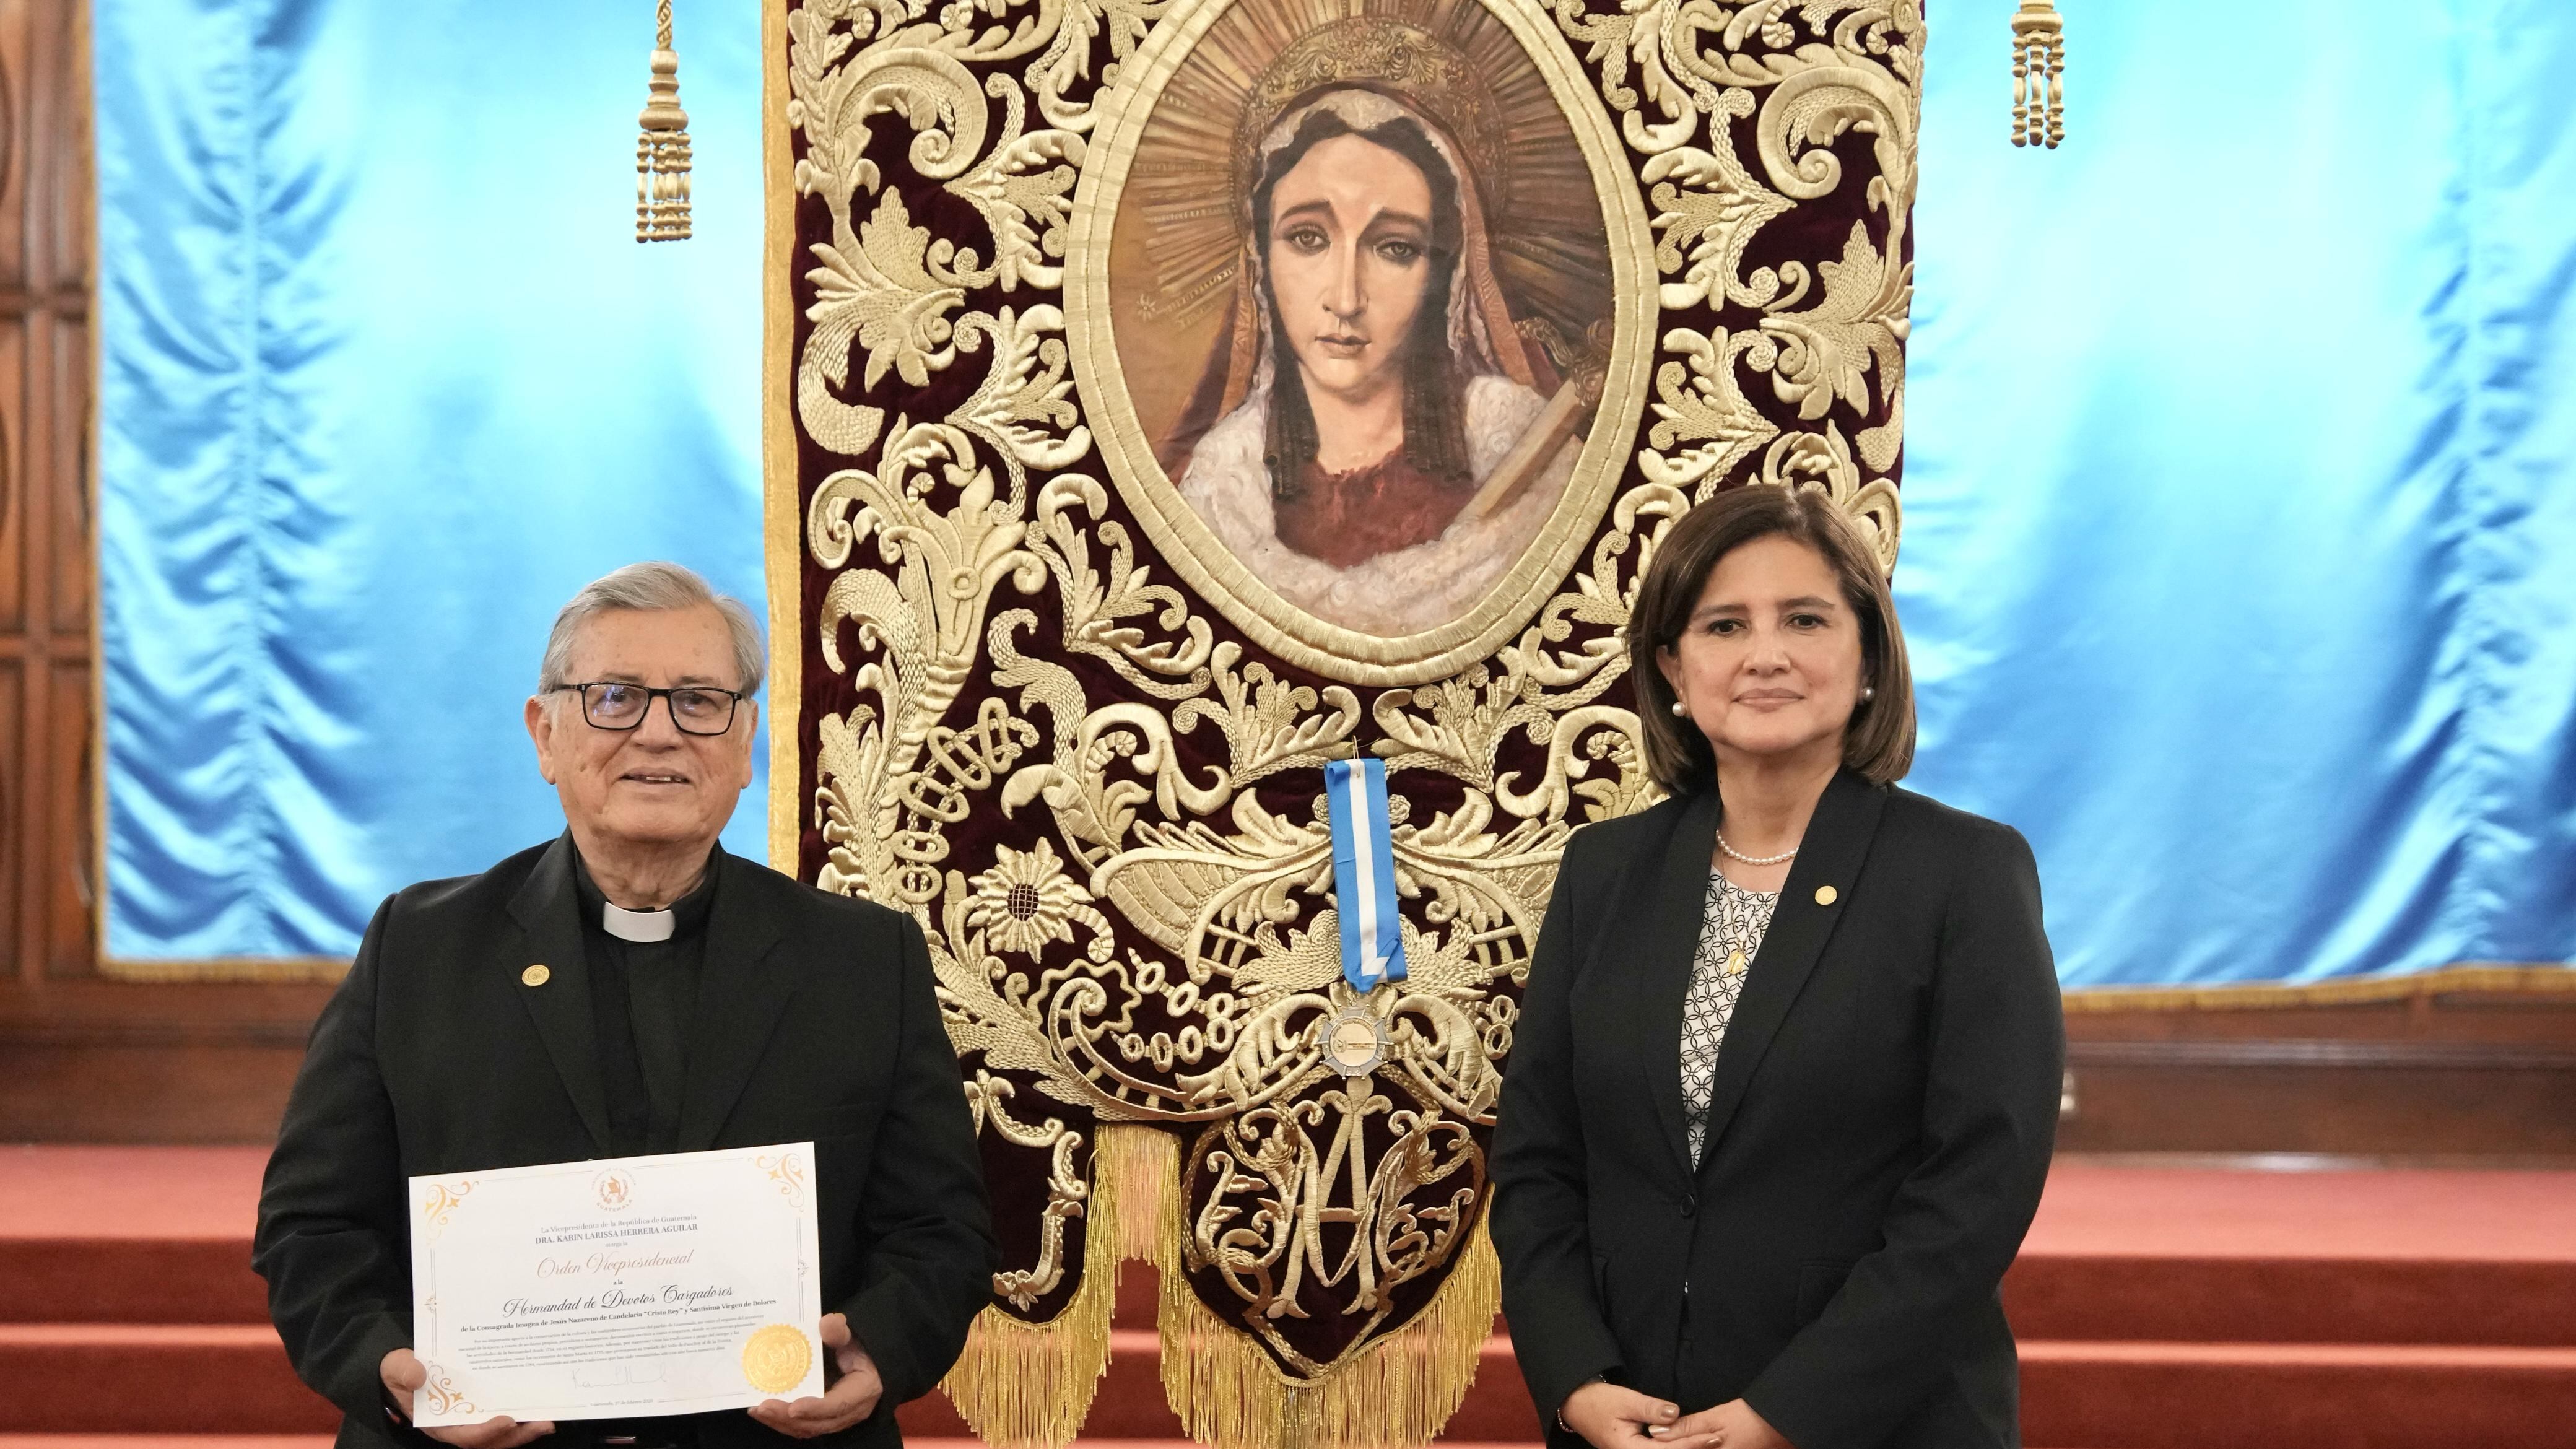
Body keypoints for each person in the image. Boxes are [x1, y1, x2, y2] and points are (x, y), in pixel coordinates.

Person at [253, 562, 996, 1448]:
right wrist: (388, 1369)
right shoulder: (419, 952)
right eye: (614, 698)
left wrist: (881, 1347)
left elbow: (940, 1229)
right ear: (545, 734)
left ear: (746, 736)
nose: (658, 734)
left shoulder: (865, 962)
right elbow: (313, 1228)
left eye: (698, 701)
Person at [1490, 487, 2064, 1449]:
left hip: (1875, 1420)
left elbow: (1978, 1187)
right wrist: (1573, 1376)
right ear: (1673, 667)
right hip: (1632, 1421)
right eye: (1724, 625)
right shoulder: (1606, 871)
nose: (1765, 655)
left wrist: (1784, 1414)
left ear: (1869, 656)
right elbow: (1540, 1158)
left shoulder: (1964, 873)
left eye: (1805, 619)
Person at [1167, 87, 1576, 637]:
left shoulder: (1523, 447)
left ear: (1440, 274)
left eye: (1395, 248)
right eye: (1308, 238)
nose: (1346, 297)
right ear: (1260, 260)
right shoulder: (1223, 482)